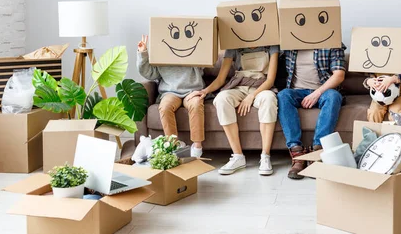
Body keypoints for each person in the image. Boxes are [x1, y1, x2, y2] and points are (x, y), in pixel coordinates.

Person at [196, 45, 279, 175]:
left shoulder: (272, 46)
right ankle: (238, 156)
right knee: (221, 99)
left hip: (262, 87)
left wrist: (251, 96)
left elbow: (270, 80)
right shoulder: (233, 46)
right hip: (238, 87)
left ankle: (265, 156)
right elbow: (221, 79)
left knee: (269, 100)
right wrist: (204, 91)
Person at [278, 46, 346, 179]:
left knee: (334, 96)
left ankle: (317, 152)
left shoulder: (332, 43)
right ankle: (298, 154)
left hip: (323, 91)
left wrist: (317, 93)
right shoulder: (289, 44)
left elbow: (339, 75)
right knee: (283, 95)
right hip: (296, 91)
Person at [137, 35, 205, 158]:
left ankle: (197, 146)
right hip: (170, 91)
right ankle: (174, 145)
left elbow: (205, 64)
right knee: (165, 107)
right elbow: (149, 73)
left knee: (196, 104)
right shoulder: (161, 53)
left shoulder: (191, 49)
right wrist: (143, 54)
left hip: (192, 90)